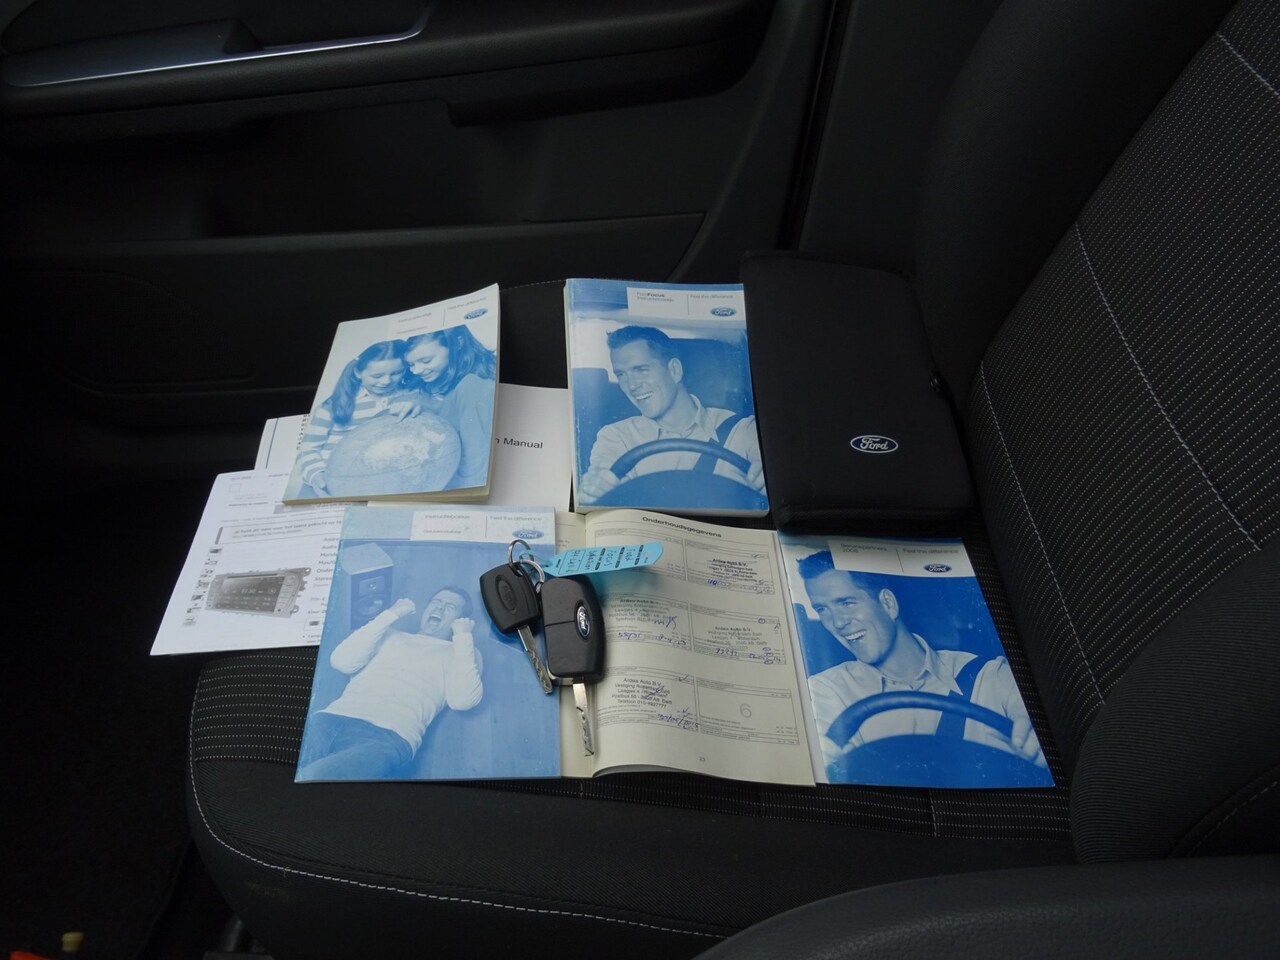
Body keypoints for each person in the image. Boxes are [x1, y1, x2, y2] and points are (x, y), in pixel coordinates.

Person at [796, 551, 1047, 772]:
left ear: (888, 603)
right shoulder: (824, 691)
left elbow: (1024, 713)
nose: (838, 623)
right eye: (822, 610)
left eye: (846, 603)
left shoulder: (990, 675)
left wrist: (1033, 730)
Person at [297, 587, 483, 780]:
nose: (440, 608)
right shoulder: (389, 634)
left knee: (313, 777)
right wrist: (390, 614)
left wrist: (463, 636)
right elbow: (341, 662)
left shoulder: (460, 651)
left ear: (459, 619)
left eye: (451, 607)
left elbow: (462, 701)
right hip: (328, 719)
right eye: (436, 602)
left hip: (386, 736)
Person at [578, 325, 766, 504]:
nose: (632, 385)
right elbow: (604, 476)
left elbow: (762, 462)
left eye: (641, 370)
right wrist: (596, 489)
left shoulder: (741, 430)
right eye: (621, 375)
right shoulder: (616, 437)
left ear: (675, 370)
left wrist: (766, 473)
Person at [295, 339, 411, 496]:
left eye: (396, 373)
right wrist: (316, 475)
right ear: (358, 373)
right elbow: (308, 449)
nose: (386, 381)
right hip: (328, 482)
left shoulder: (408, 398)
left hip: (376, 482)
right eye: (377, 375)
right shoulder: (333, 405)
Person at [402, 325, 497, 490]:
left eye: (426, 361)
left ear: (457, 343)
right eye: (411, 364)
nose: (416, 371)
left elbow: (476, 463)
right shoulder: (436, 380)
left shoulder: (473, 386)